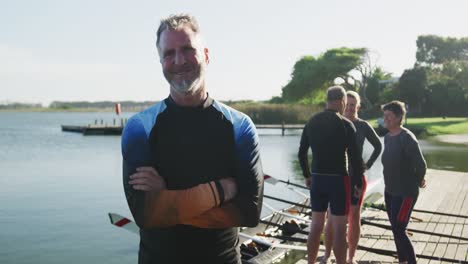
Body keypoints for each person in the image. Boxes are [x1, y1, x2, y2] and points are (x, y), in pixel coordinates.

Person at [121, 14, 264, 264]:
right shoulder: (139, 128)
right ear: (161, 61)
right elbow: (145, 215)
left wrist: (167, 201)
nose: (179, 60)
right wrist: (221, 190)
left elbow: (249, 212)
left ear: (206, 55)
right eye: (169, 53)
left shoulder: (239, 127)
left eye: (188, 49)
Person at [298, 86, 365, 264]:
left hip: (317, 179)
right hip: (338, 181)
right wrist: (358, 184)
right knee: (339, 228)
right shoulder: (346, 124)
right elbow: (355, 158)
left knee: (315, 226)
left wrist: (307, 175)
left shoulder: (311, 122)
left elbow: (302, 153)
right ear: (342, 101)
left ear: (327, 100)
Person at [322, 91, 382, 264]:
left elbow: (378, 146)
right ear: (342, 104)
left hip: (356, 177)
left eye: (352, 105)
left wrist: (368, 164)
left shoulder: (362, 126)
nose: (348, 108)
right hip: (337, 177)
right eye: (346, 104)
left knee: (354, 217)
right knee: (331, 216)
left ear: (358, 107)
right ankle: (327, 254)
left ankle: (351, 257)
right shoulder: (335, 123)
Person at [381, 100, 426, 264]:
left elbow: (421, 165)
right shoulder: (387, 138)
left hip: (406, 193)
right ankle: (402, 261)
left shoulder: (406, 138)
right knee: (395, 229)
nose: (385, 119)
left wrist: (419, 180)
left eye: (389, 116)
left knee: (399, 230)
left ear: (399, 117)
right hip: (390, 192)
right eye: (384, 115)